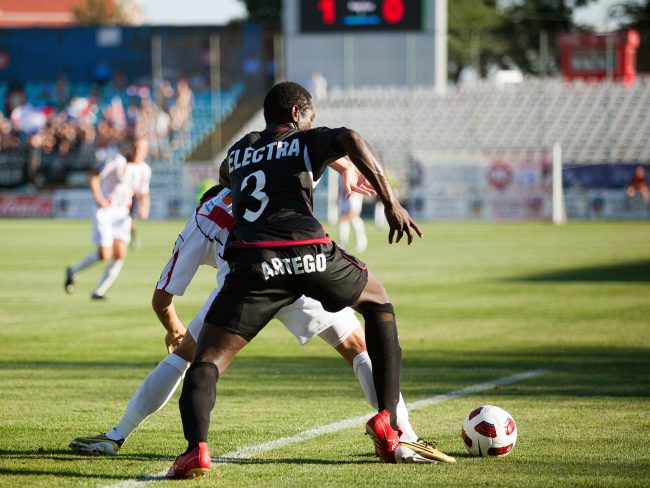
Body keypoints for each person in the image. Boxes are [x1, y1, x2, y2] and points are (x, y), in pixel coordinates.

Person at [165, 81, 450, 479]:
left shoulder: (238, 151)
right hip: (309, 253)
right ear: (298, 114)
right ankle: (388, 419)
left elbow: (227, 174)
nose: (313, 122)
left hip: (253, 261)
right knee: (378, 302)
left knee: (208, 360)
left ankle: (196, 450)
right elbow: (349, 137)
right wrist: (390, 200)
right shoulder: (303, 140)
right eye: (311, 116)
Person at [68, 185, 451, 466]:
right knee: (358, 347)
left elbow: (162, 296)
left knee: (192, 358)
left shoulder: (205, 217)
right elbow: (319, 151)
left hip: (244, 288)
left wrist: (173, 328)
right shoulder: (277, 181)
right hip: (299, 274)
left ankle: (119, 436)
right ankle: (406, 440)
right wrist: (345, 168)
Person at [64, 134, 151, 299]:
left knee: (119, 255)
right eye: (136, 148)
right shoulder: (117, 162)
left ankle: (99, 292)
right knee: (105, 254)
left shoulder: (144, 170)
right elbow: (93, 176)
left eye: (142, 149)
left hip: (122, 215)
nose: (139, 152)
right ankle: (72, 270)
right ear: (129, 148)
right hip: (105, 211)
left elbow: (143, 194)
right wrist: (99, 198)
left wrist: (144, 208)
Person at [337, 174, 368, 252]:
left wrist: (353, 199)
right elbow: (340, 185)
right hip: (344, 198)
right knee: (345, 219)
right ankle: (343, 242)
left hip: (353, 197)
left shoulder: (353, 168)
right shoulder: (340, 171)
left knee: (353, 217)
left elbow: (356, 184)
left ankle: (361, 241)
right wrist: (338, 197)